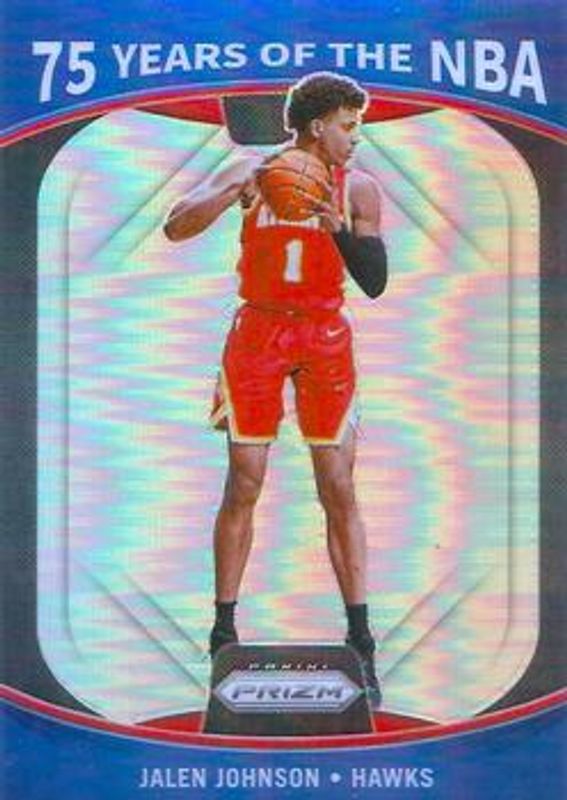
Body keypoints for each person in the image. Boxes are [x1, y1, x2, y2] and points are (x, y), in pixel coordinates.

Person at [164, 72, 387, 705]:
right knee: (245, 481)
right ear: (318, 125)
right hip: (259, 331)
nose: (356, 137)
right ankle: (223, 631)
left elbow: (375, 281)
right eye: (348, 125)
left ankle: (361, 638)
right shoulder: (251, 169)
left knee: (338, 485)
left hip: (324, 335)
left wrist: (336, 227)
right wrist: (232, 190)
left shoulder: (359, 187)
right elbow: (176, 226)